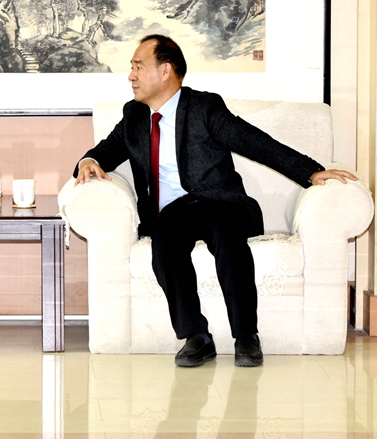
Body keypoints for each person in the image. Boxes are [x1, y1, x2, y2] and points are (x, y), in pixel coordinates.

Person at [74, 35, 356, 368]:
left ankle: (246, 336)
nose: (131, 75)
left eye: (138, 66)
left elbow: (254, 142)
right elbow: (106, 150)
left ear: (165, 71)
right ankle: (196, 337)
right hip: (174, 213)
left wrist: (311, 172)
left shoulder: (203, 108)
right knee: (164, 242)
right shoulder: (134, 115)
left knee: (226, 234)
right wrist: (88, 160)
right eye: (132, 68)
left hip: (221, 202)